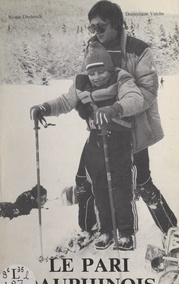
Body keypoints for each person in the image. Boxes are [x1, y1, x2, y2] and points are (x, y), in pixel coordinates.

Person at [75, 0, 177, 245]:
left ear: (117, 23)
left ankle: (172, 231)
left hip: (133, 130)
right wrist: (83, 103)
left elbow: (148, 92)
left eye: (100, 26)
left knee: (141, 182)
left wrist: (117, 109)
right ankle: (90, 228)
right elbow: (84, 80)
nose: (95, 32)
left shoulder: (138, 49)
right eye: (91, 28)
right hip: (99, 131)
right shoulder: (92, 48)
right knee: (84, 180)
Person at [30, 41, 146, 250]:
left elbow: (135, 99)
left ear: (109, 69)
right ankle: (106, 230)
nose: (96, 77)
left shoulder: (121, 79)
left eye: (101, 72)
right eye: (92, 73)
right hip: (95, 141)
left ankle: (126, 232)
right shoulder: (81, 83)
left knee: (121, 188)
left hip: (119, 141)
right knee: (99, 188)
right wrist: (44, 108)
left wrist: (114, 109)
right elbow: (65, 102)